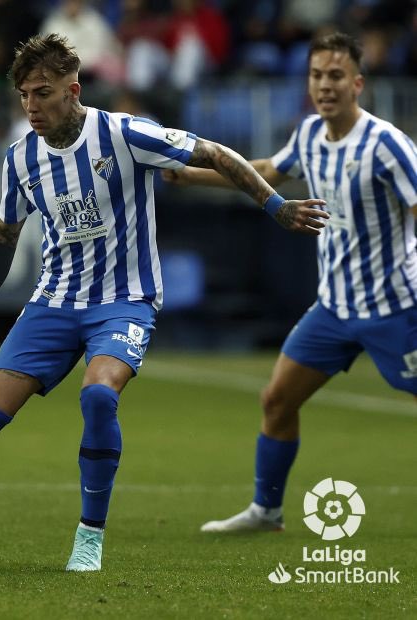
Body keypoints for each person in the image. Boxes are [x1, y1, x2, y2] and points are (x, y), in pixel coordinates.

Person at [0, 33, 327, 572]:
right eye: (24, 96)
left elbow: (216, 155)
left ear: (73, 90)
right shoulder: (21, 159)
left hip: (125, 301)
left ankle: (90, 534)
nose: (32, 106)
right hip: (55, 301)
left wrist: (276, 207)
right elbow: (4, 235)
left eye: (43, 93)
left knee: (100, 397)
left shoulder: (125, 133)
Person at [162, 32, 417, 533]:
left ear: (358, 84)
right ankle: (267, 511)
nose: (325, 85)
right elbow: (264, 173)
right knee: (277, 400)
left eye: (336, 75)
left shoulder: (386, 144)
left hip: (395, 308)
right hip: (333, 309)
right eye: (317, 75)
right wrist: (192, 175)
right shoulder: (308, 135)